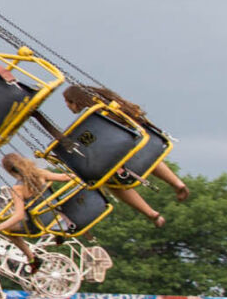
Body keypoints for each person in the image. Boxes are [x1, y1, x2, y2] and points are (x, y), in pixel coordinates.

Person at [62, 83, 189, 227]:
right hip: (141, 149)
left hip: (121, 159)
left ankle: (151, 214)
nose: (66, 106)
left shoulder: (92, 121)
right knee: (145, 155)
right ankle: (177, 183)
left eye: (67, 102)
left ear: (74, 101)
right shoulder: (115, 108)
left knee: (110, 182)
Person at [0, 154, 77, 274]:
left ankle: (32, 258)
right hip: (57, 216)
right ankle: (58, 231)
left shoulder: (18, 188)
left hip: (40, 224)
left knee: (7, 230)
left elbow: (18, 215)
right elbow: (64, 177)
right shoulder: (40, 173)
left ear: (9, 171)